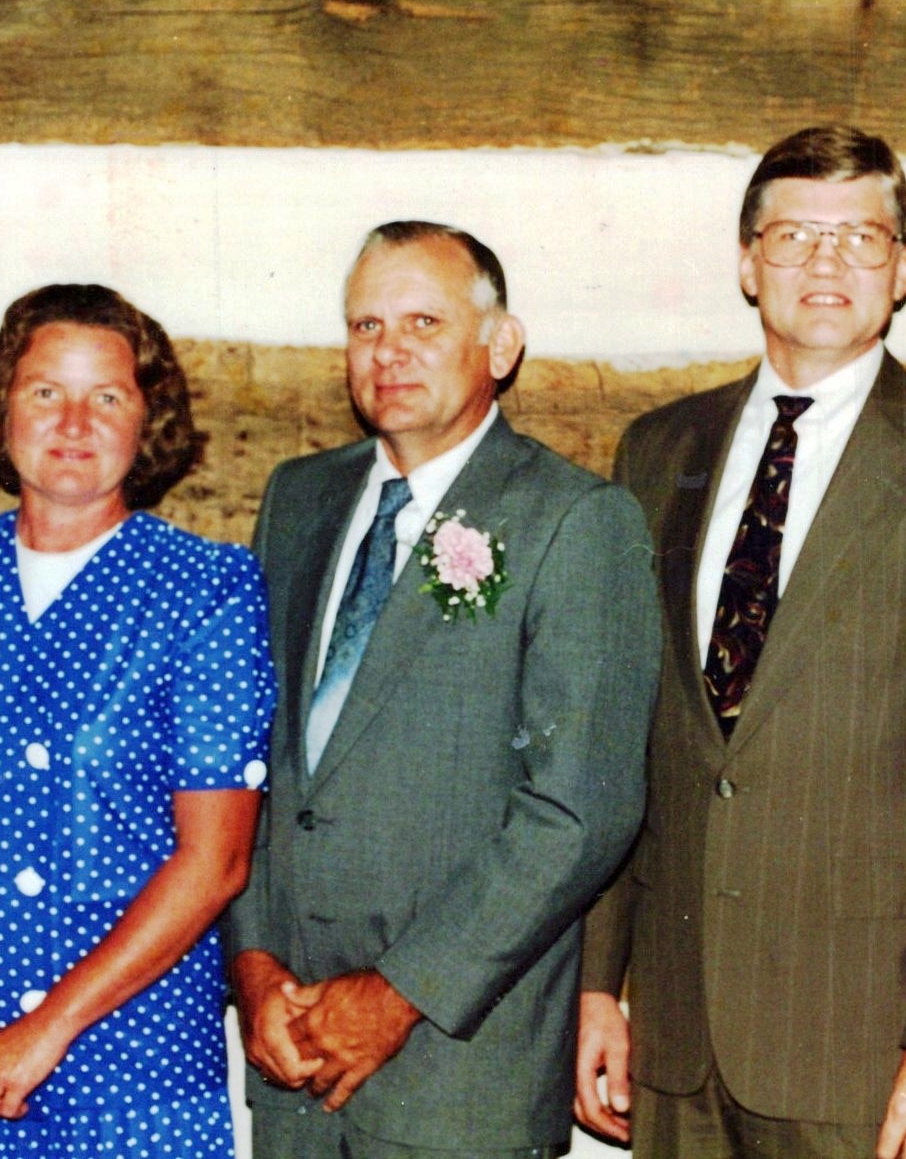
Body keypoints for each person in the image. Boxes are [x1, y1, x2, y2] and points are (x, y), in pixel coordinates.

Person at [576, 124, 906, 1159]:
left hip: (867, 1051)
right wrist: (596, 986)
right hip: (677, 1034)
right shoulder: (658, 450)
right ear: (748, 264)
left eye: (860, 237)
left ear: (903, 268)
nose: (825, 261)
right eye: (794, 235)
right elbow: (625, 742)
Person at [225, 220, 660, 1158]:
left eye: (424, 322)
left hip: (460, 1068)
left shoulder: (575, 520)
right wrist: (253, 962)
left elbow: (579, 813)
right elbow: (257, 760)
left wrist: (397, 995)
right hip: (291, 1052)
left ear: (500, 347)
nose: (390, 352)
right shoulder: (297, 499)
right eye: (367, 326)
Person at [0, 283, 277, 1157]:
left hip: (129, 1066)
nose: (74, 423)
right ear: (2, 408)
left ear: (147, 420)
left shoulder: (204, 589)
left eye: (106, 397)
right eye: (45, 391)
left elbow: (216, 860)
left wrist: (50, 1028)